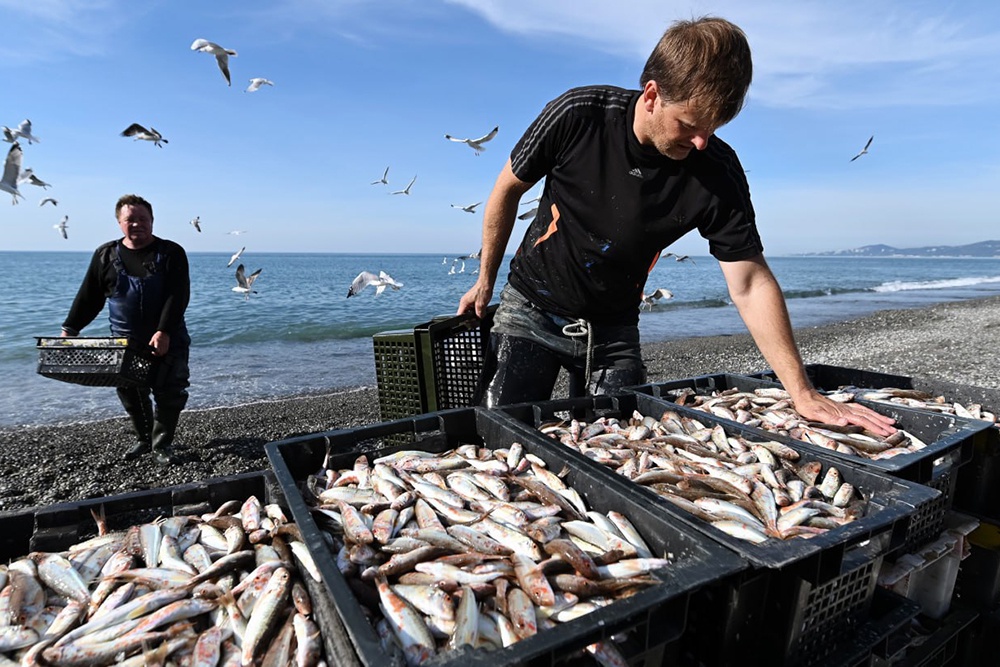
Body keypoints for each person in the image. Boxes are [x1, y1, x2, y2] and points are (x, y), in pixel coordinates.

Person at [458, 16, 895, 435]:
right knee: (499, 431)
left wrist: (801, 392)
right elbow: (506, 190)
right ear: (652, 94)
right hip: (532, 306)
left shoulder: (717, 171)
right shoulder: (579, 114)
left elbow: (749, 284)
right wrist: (485, 280)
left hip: (614, 328)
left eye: (713, 128)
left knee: (619, 444)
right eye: (689, 124)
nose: (702, 141)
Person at [61, 194, 191, 465]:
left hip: (169, 338)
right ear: (119, 222)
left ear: (152, 221)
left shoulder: (170, 253)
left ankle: (162, 445)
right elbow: (90, 296)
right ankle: (144, 439)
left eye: (142, 219)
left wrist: (164, 330)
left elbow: (178, 295)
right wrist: (70, 329)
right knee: (130, 392)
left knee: (170, 391)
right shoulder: (106, 255)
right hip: (124, 341)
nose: (137, 224)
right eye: (130, 219)